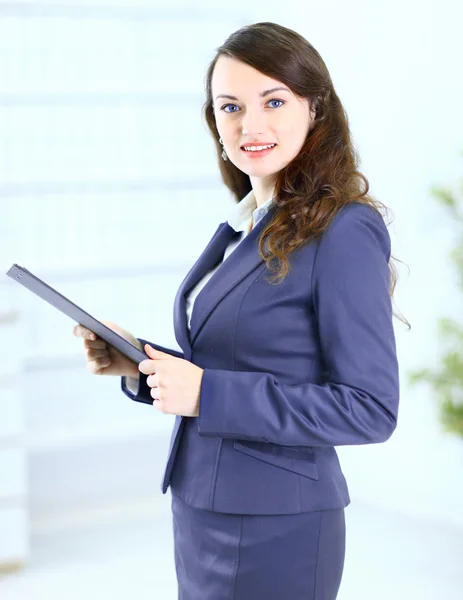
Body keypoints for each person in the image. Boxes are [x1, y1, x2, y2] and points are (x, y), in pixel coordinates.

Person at [73, 21, 403, 600]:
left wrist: (206, 394)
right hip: (202, 504)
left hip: (279, 526)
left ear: (315, 108)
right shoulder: (248, 222)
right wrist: (140, 365)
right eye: (230, 107)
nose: (250, 125)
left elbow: (370, 409)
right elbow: (227, 360)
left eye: (273, 100)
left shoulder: (346, 229)